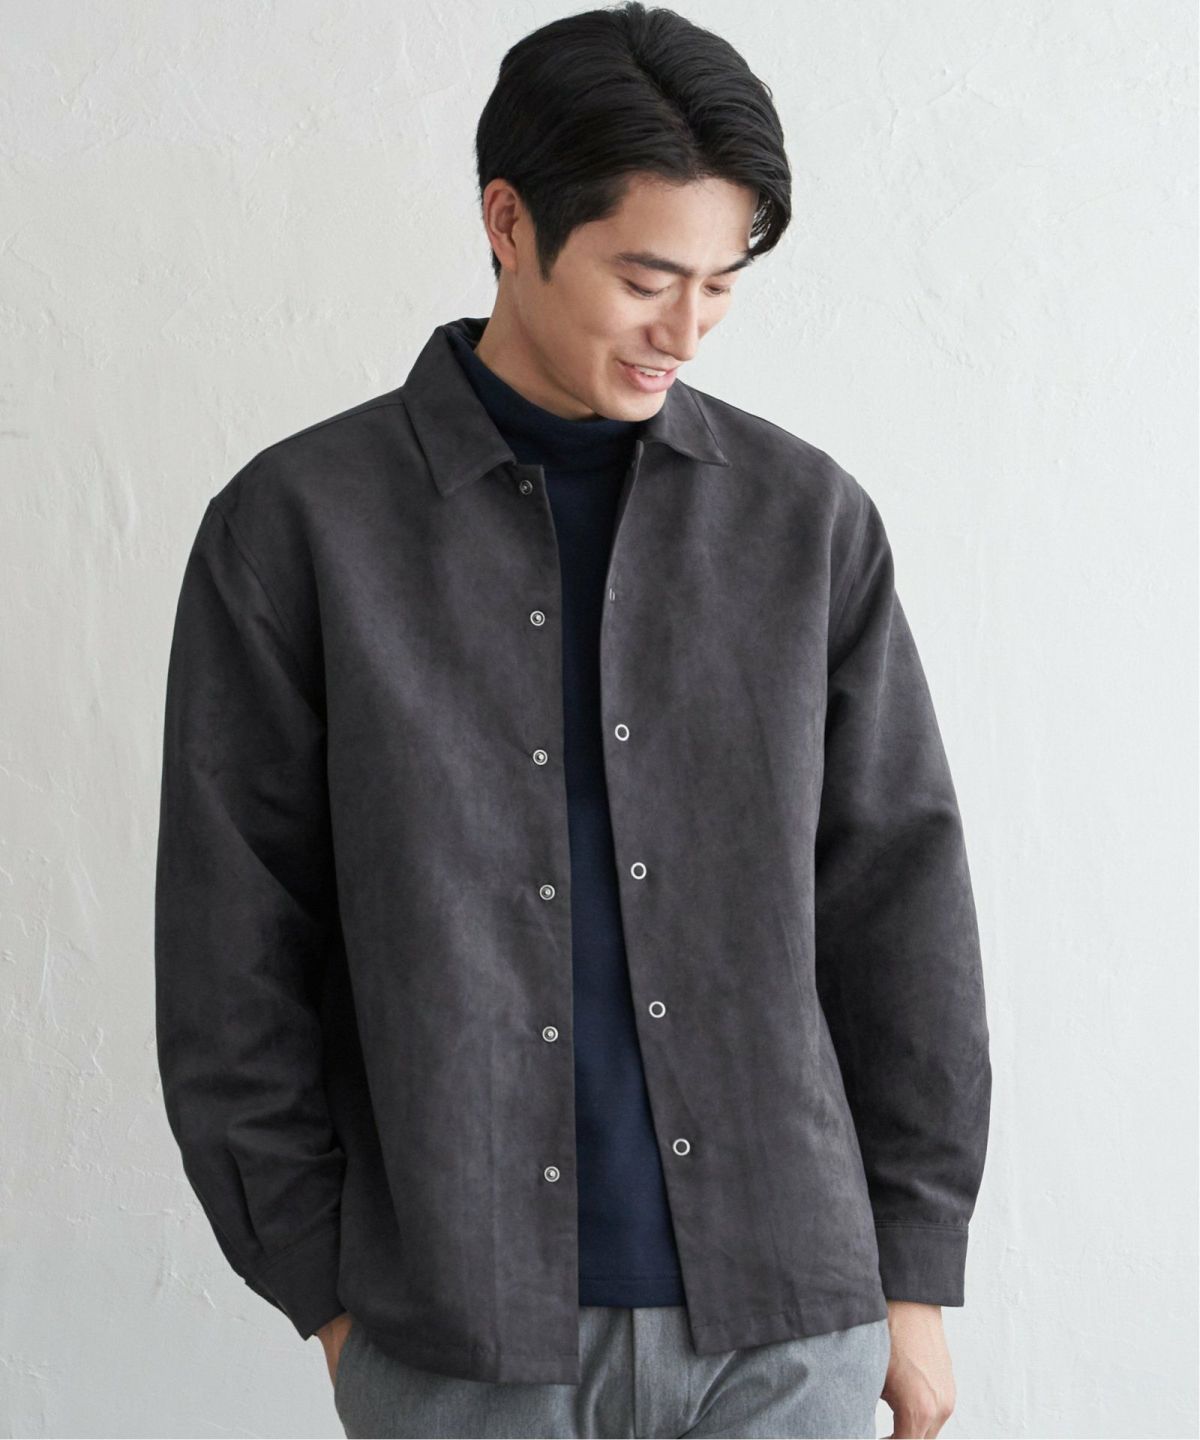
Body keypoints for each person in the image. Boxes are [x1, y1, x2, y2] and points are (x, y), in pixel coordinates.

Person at [154, 4, 991, 1437]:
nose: (687, 329)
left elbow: (898, 907)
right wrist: (330, 1295)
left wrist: (909, 1275)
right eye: (645, 277)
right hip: (455, 1336)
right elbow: (232, 949)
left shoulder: (805, 525)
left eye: (720, 283)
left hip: (786, 1323)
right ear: (508, 221)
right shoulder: (300, 531)